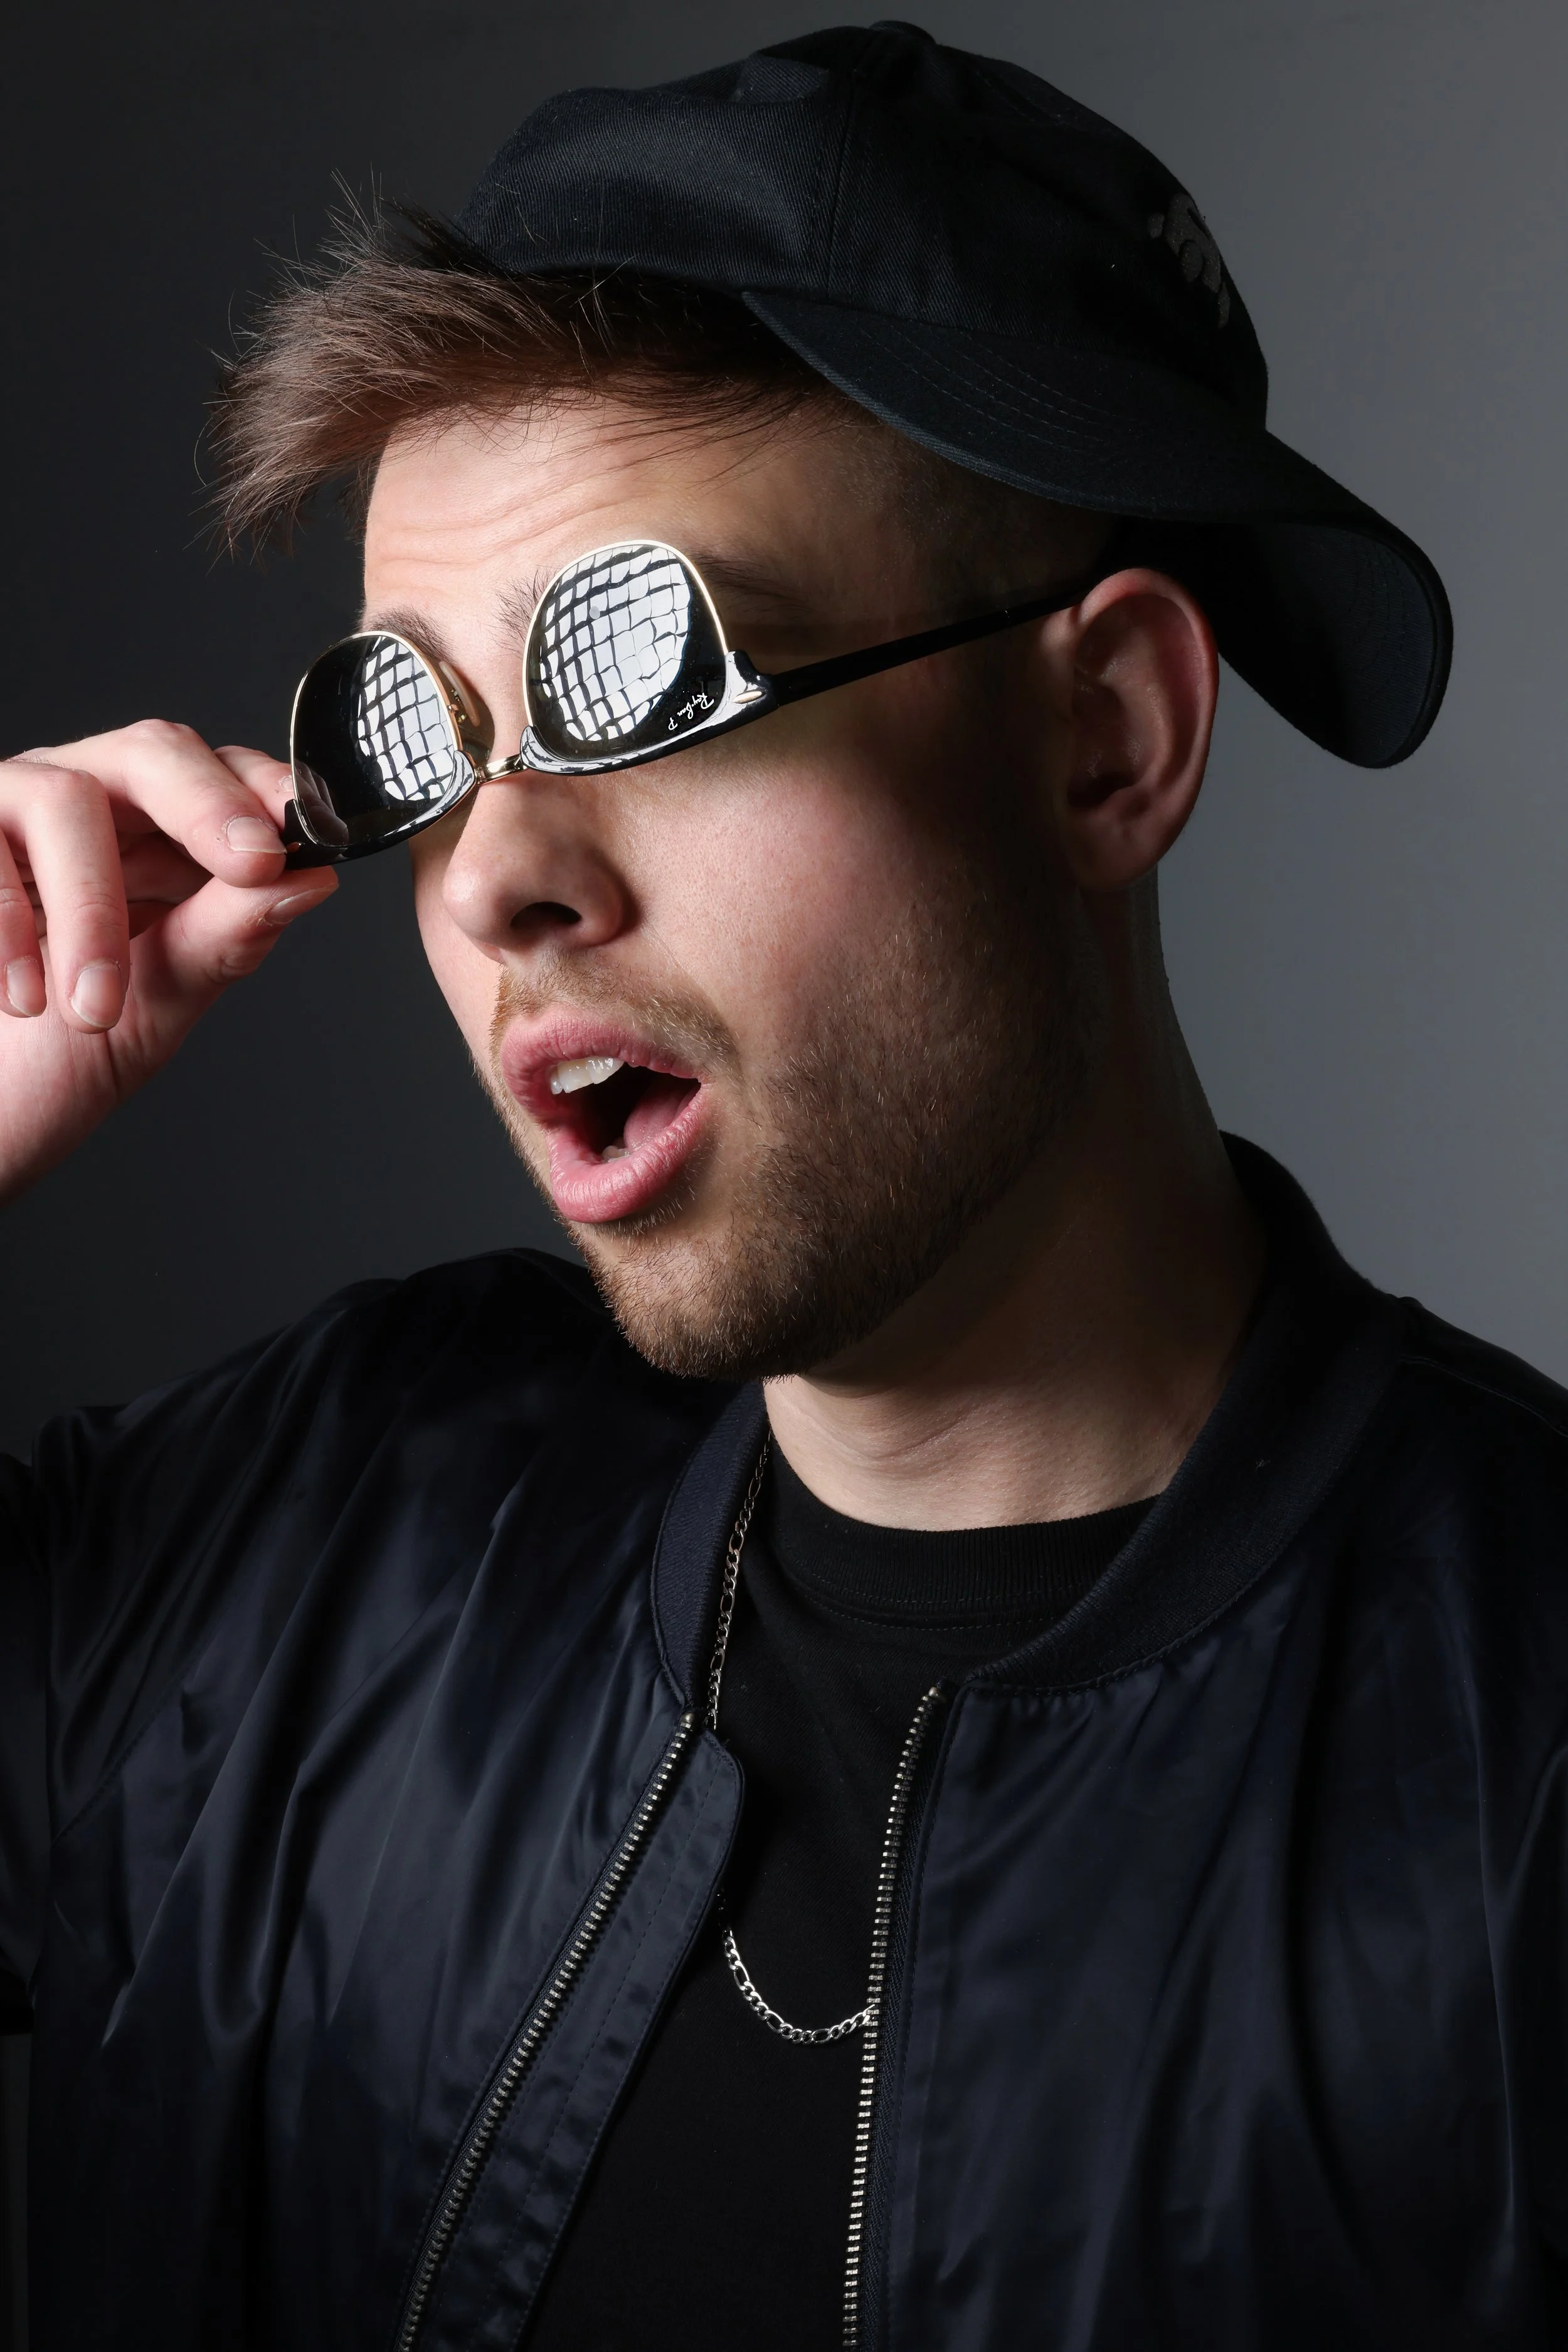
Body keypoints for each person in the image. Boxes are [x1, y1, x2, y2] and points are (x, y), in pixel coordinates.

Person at [0, 21, 1560, 2350]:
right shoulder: (290, 1561)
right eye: (419, 734)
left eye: (653, 681)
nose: (497, 874)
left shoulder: (1520, 1768)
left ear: (1108, 738)